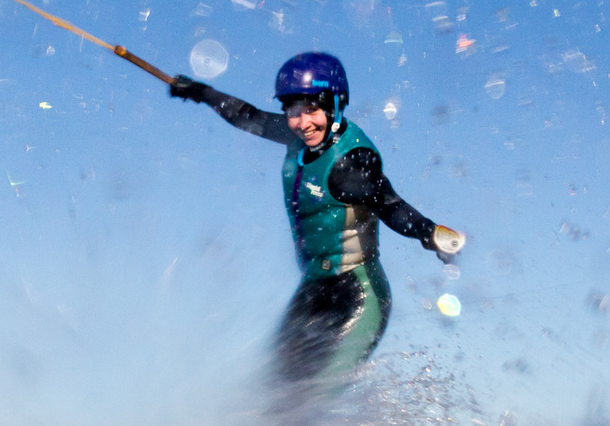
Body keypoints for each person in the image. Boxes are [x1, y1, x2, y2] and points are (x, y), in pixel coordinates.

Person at [169, 51, 462, 391]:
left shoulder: (352, 161)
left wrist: (430, 233)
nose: (302, 122)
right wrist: (201, 92)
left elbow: (390, 205)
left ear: (336, 105)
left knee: (312, 400)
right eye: (293, 110)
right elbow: (247, 116)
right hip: (313, 290)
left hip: (358, 295)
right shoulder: (298, 139)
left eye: (312, 109)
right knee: (274, 391)